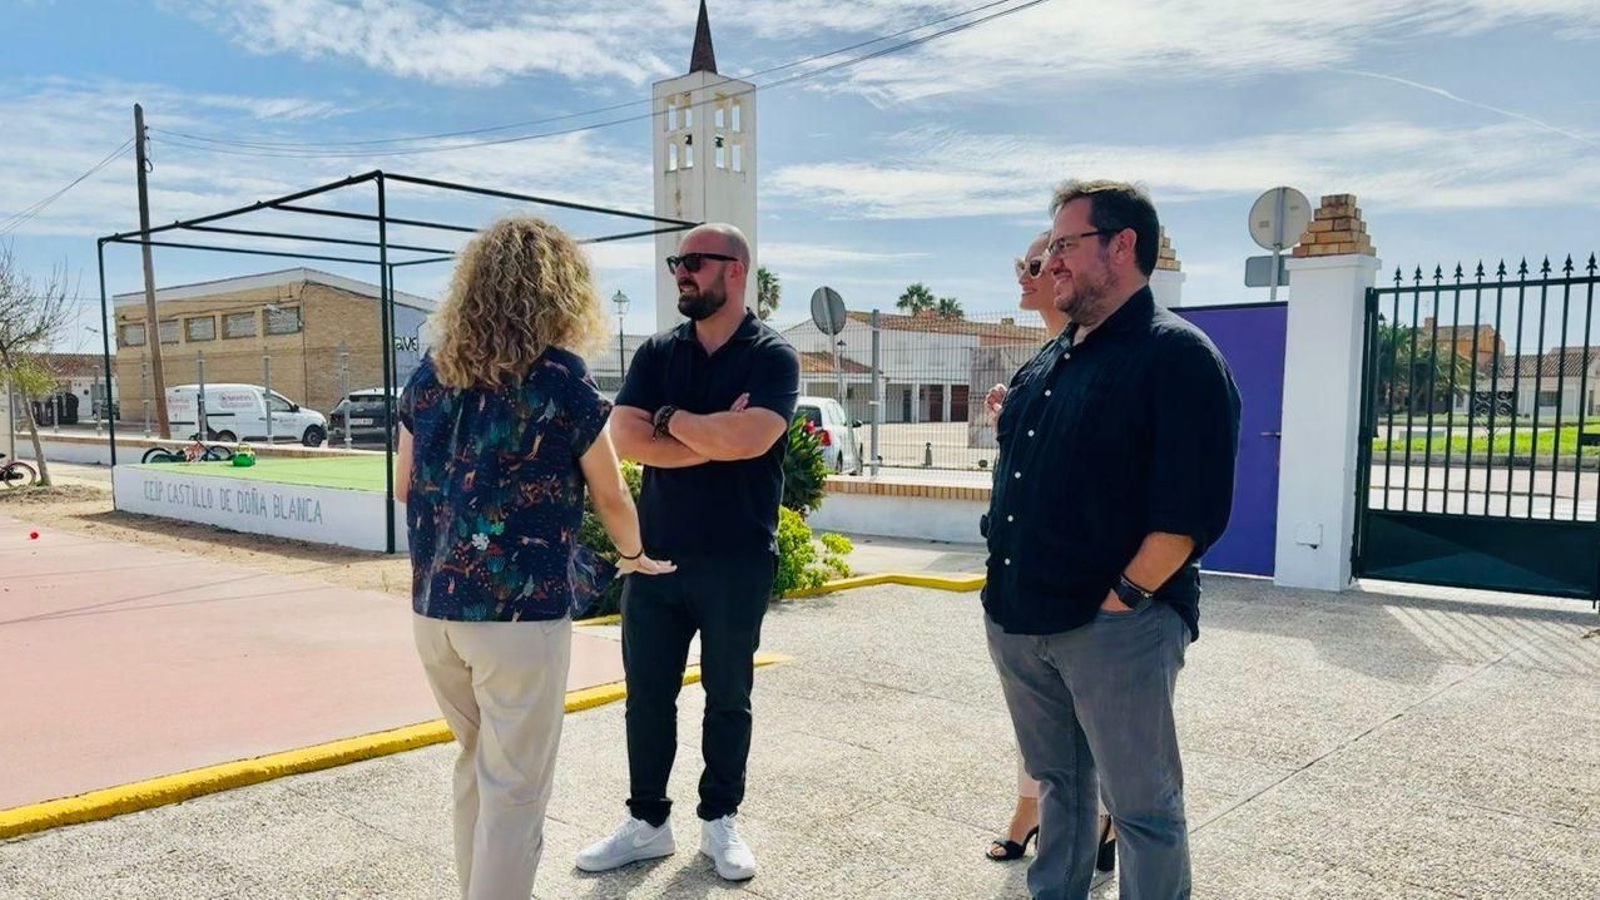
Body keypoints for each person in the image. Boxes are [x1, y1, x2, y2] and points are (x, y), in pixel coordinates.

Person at [395, 216, 674, 900]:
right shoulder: (560, 379)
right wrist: (635, 557)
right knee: (515, 792)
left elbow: (403, 483)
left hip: (435, 611)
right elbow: (611, 495)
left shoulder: (430, 375)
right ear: (559, 291)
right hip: (518, 619)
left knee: (475, 767)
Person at [982, 181, 1240, 900]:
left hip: (1113, 627)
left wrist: (1123, 598)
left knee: (1142, 811)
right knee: (1061, 789)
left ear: (1121, 246)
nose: (1050, 262)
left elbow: (1190, 514)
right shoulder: (1054, 357)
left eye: (1064, 245)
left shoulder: (1177, 357)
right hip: (1020, 616)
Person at [576, 223, 800, 883]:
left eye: (694, 262)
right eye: (678, 261)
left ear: (734, 270)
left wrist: (670, 420)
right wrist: (710, 433)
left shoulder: (772, 357)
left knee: (729, 694)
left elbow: (753, 437)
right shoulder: (657, 353)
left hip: (737, 557)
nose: (681, 272)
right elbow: (626, 437)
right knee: (647, 697)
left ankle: (719, 823)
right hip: (655, 556)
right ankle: (647, 823)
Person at [985, 231, 1118, 872]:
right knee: (1041, 725)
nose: (1031, 273)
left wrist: (1131, 592)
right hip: (1025, 580)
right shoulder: (1042, 359)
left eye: (1036, 263)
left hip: (1090, 593)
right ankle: (1043, 811)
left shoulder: (1118, 353)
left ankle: (1100, 819)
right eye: (1032, 262)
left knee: (1094, 736)